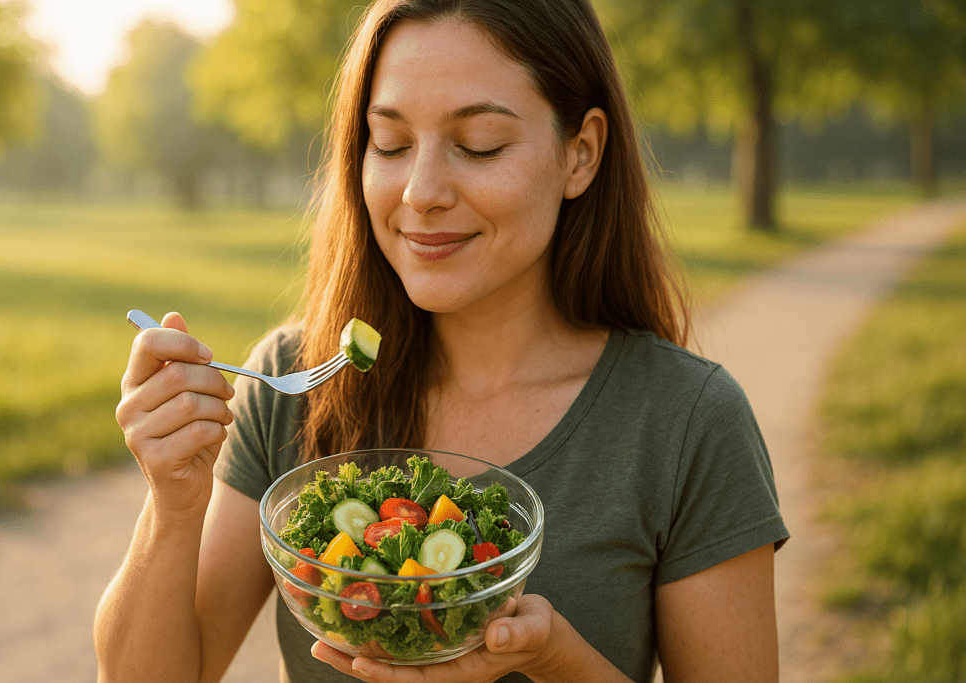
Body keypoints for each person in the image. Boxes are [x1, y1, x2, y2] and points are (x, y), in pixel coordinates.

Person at [96, 0, 789, 681]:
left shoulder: (686, 421)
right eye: (391, 143)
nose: (421, 191)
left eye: (478, 145)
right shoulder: (290, 380)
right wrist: (173, 506)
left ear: (580, 154)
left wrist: (551, 659)